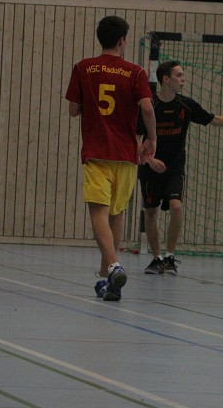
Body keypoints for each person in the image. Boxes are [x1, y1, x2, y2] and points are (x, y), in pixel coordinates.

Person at [139, 61, 223, 275]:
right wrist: (150, 160)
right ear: (166, 79)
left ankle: (169, 257)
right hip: (151, 167)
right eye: (179, 75)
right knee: (151, 211)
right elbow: (136, 139)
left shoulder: (186, 105)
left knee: (176, 206)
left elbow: (212, 119)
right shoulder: (150, 106)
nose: (183, 79)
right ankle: (156, 258)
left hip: (175, 167)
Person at [65, 16, 156, 301]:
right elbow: (147, 108)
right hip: (126, 154)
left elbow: (73, 110)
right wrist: (151, 139)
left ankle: (114, 266)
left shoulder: (83, 67)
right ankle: (107, 280)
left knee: (98, 213)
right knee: (116, 214)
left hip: (96, 151)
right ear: (121, 41)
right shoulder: (136, 72)